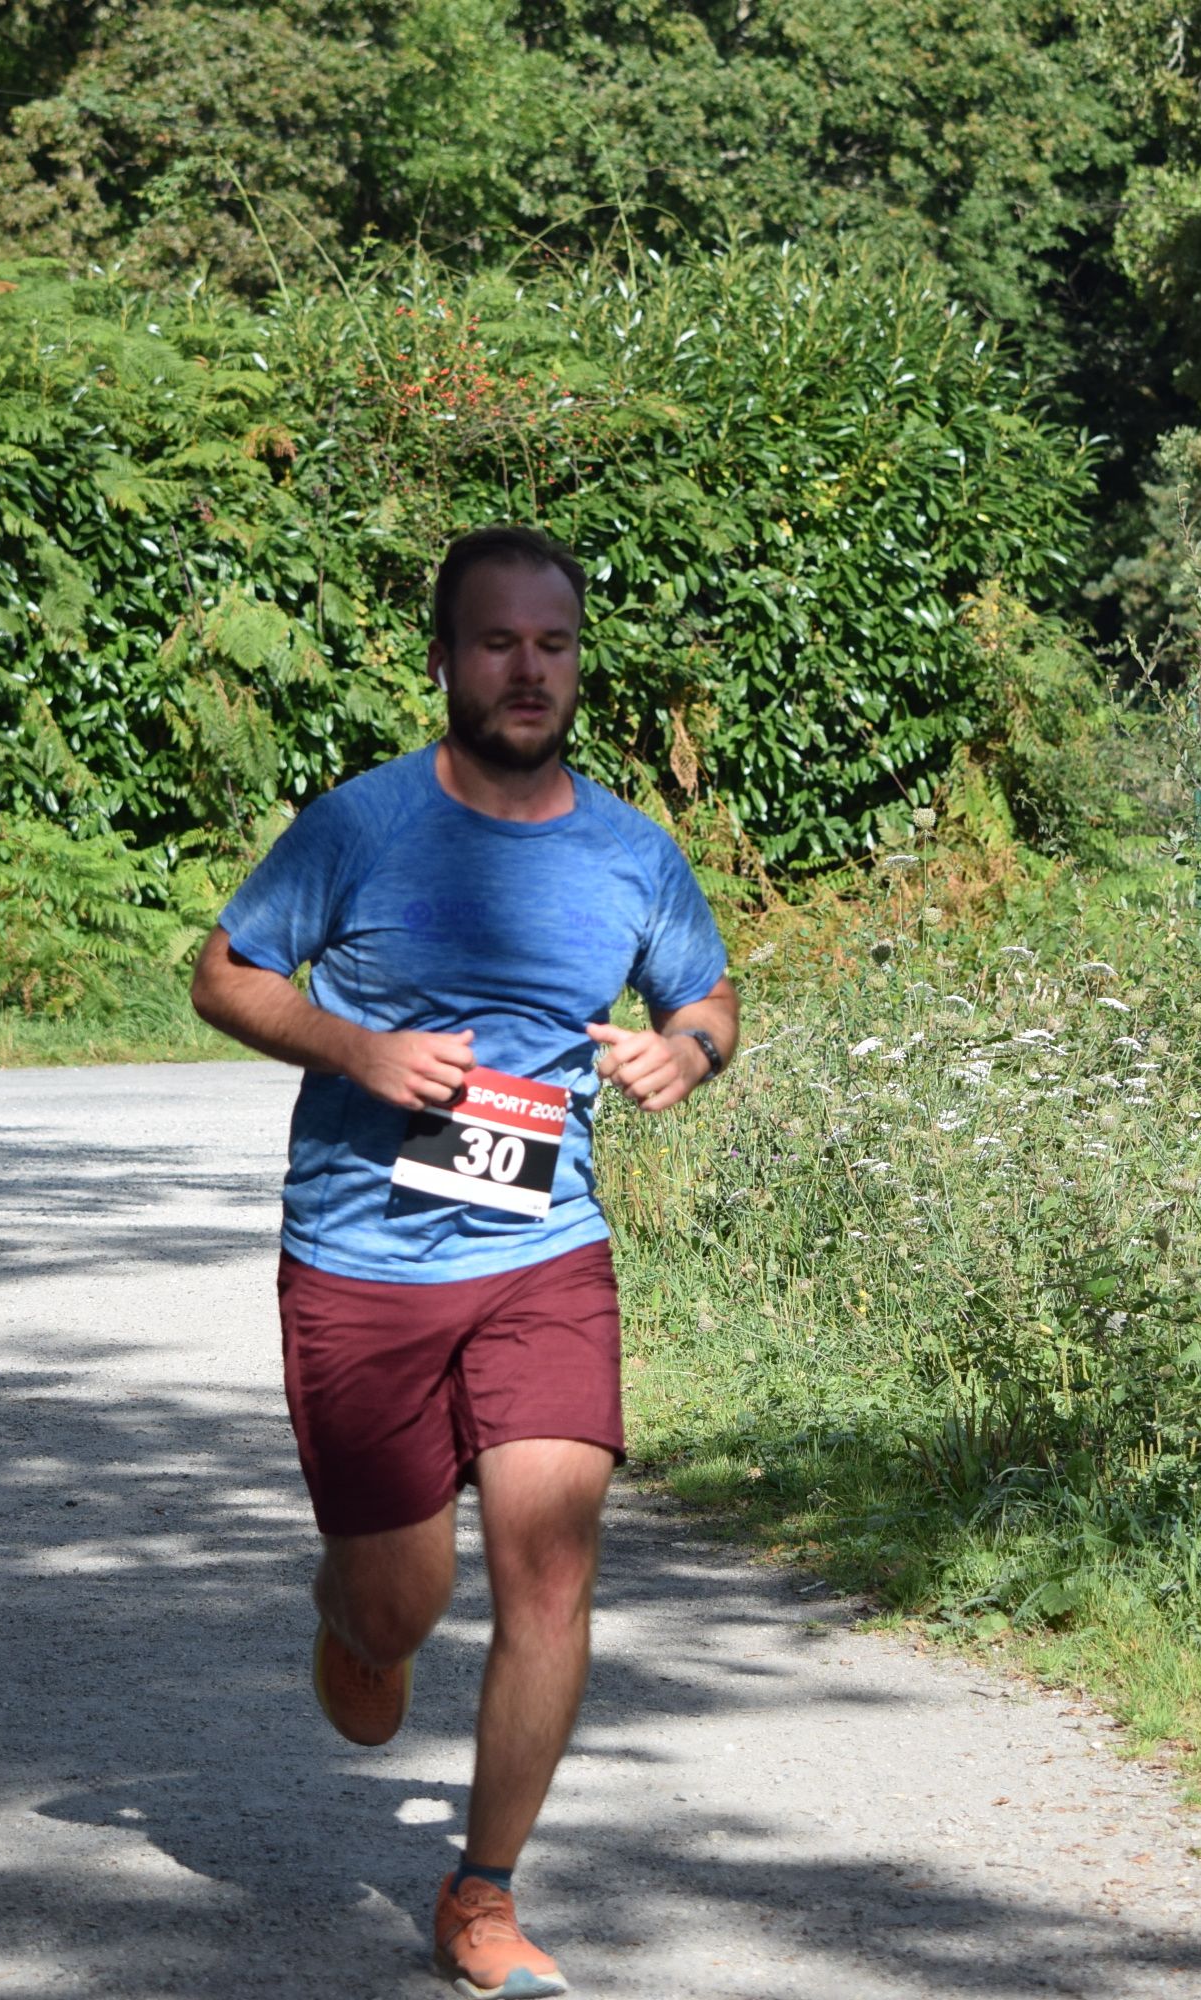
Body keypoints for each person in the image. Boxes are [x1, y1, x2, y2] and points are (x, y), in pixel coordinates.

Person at [190, 525, 738, 1998]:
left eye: (552, 645)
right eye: (497, 644)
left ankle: (481, 1892)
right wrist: (355, 1048)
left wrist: (688, 1050)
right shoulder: (361, 826)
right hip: (362, 1262)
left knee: (550, 1570)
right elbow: (223, 972)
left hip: (544, 1254)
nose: (527, 670)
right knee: (401, 1608)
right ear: (443, 660)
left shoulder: (630, 851)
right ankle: (355, 1616)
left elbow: (707, 997)